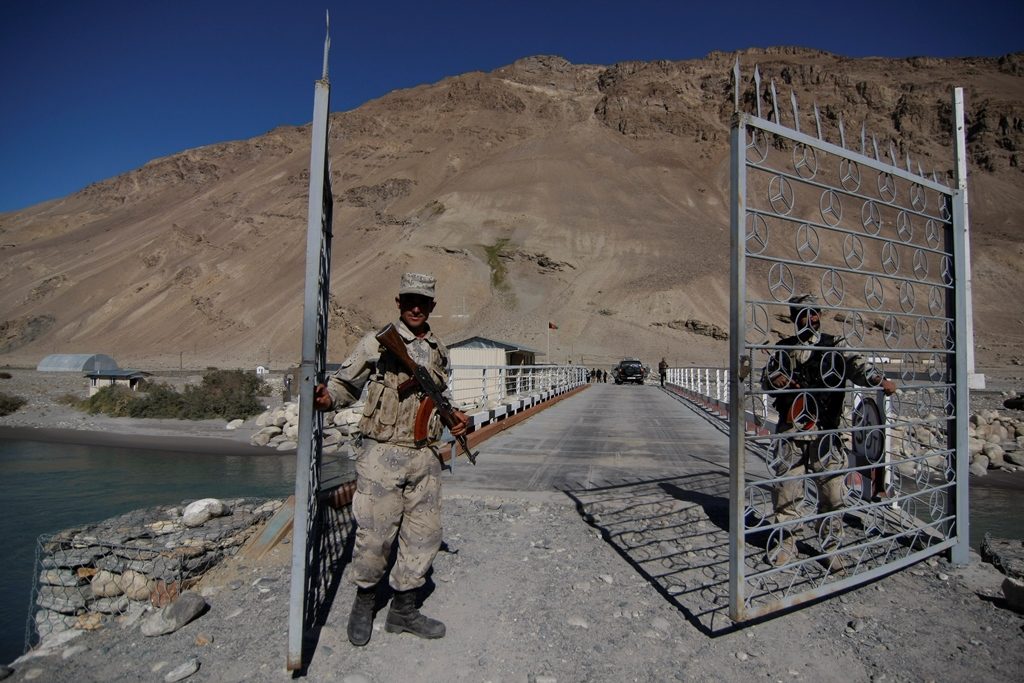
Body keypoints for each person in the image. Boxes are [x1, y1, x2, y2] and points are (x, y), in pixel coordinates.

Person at [313, 272, 469, 646]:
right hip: (381, 454)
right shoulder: (377, 343)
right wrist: (327, 399)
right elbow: (344, 385)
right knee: (375, 536)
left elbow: (435, 399)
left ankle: (403, 609)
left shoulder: (439, 349)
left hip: (425, 456)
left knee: (425, 535)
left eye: (424, 301)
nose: (417, 306)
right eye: (410, 299)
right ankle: (364, 602)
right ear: (399, 302)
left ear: (432, 306)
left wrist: (457, 418)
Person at [761, 294, 895, 573]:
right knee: (786, 489)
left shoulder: (835, 346)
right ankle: (787, 542)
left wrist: (878, 379)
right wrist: (776, 379)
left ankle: (830, 546)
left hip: (828, 431)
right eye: (803, 313)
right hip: (792, 431)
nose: (810, 318)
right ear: (794, 316)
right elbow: (766, 380)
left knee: (833, 492)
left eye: (814, 313)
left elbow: (857, 366)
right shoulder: (783, 349)